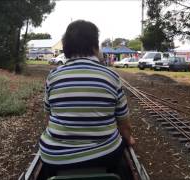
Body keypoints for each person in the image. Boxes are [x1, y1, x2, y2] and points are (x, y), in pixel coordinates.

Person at [39, 20, 135, 174]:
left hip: (55, 158)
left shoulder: (53, 76)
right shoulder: (111, 76)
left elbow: (48, 116)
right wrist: (128, 139)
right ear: (95, 46)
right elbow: (124, 124)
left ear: (66, 47)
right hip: (105, 155)